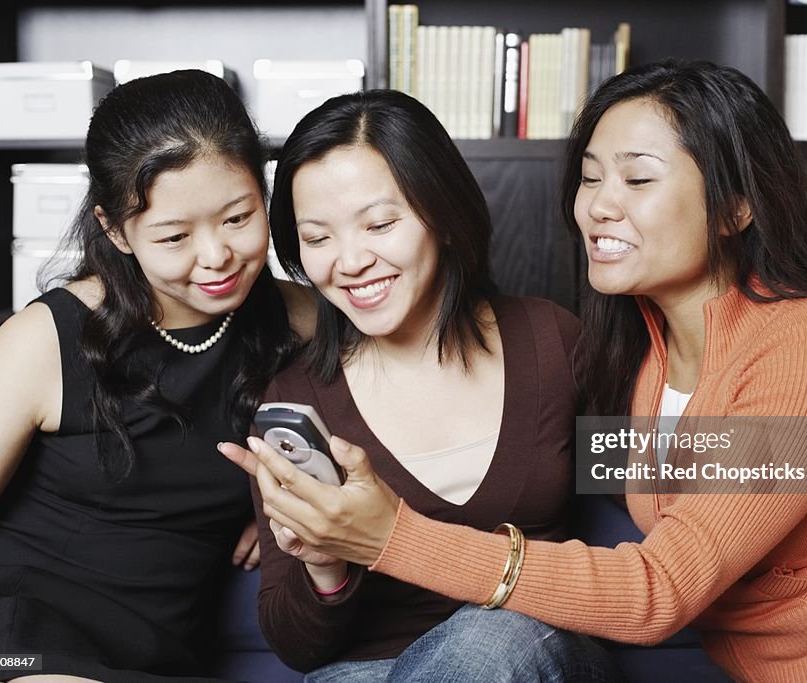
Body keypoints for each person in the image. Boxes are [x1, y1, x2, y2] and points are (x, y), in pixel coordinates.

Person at [222, 61, 807, 683]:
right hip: (766, 669)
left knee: (490, 645)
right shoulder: (639, 358)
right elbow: (752, 461)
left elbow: (664, 585)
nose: (598, 207)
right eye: (591, 178)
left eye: (638, 179)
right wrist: (303, 531)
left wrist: (389, 534)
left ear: (736, 206)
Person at [218, 89, 620, 682]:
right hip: (365, 669)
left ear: (444, 215)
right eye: (319, 237)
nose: (349, 261)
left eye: (379, 223)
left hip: (531, 644)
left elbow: (670, 474)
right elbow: (297, 649)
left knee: (487, 638)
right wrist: (327, 564)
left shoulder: (550, 343)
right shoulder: (296, 399)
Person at [0, 70, 314, 682]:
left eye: (237, 218)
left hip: (159, 656)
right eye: (175, 236)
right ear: (114, 228)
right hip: (10, 638)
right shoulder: (44, 340)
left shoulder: (302, 320)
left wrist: (292, 493)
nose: (216, 257)